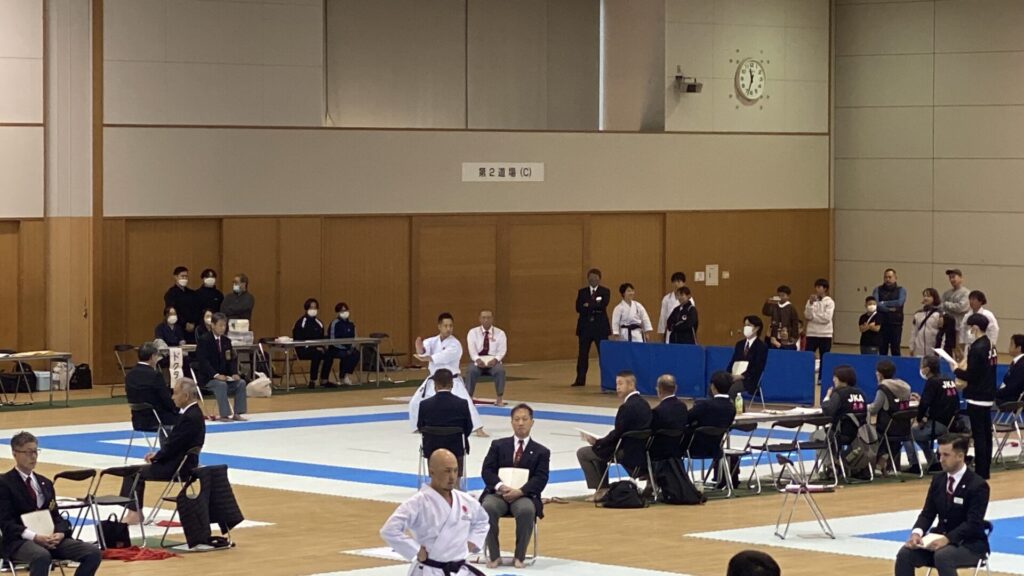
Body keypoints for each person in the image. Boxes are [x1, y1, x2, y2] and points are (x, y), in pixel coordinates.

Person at [0, 432, 102, 576]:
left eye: (35, 451)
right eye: (28, 452)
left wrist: (60, 533)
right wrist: (34, 536)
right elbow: (6, 523)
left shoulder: (45, 483)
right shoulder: (4, 483)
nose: (33, 456)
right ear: (15, 453)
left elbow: (56, 516)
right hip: (20, 541)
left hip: (50, 537)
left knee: (93, 552)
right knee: (41, 556)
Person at [380, 449, 490, 576]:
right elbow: (389, 530)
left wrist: (473, 541)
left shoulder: (465, 500)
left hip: (460, 570)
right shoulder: (418, 502)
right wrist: (416, 550)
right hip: (430, 570)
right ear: (432, 472)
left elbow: (482, 520)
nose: (452, 477)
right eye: (447, 471)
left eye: (455, 470)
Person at [894, 435, 990, 576]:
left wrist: (948, 539)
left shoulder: (978, 485)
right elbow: (927, 513)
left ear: (960, 456)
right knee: (905, 553)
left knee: (943, 556)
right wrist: (917, 533)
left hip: (969, 544)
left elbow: (973, 523)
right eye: (939, 454)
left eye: (946, 455)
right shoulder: (938, 480)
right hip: (939, 539)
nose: (941, 459)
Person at [121, 378, 206, 525]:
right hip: (183, 463)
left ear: (185, 396)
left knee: (132, 473)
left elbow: (174, 446)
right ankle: (134, 512)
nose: (172, 397)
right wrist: (158, 455)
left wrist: (157, 457)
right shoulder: (193, 413)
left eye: (175, 393)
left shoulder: (189, 417)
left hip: (177, 467)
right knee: (134, 471)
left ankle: (134, 514)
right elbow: (175, 444)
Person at [479, 404, 550, 569]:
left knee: (526, 510)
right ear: (511, 422)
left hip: (524, 495)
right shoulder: (498, 445)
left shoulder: (541, 451)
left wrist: (521, 491)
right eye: (517, 419)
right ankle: (494, 555)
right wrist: (501, 486)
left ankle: (520, 556)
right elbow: (487, 471)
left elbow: (541, 478)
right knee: (488, 507)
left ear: (532, 422)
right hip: (498, 494)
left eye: (524, 419)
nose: (520, 423)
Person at [575, 370, 652, 502]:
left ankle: (601, 489)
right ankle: (603, 487)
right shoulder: (645, 404)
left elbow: (617, 434)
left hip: (627, 452)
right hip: (642, 451)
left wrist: (599, 442)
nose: (618, 387)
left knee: (584, 453)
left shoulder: (627, 407)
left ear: (631, 385)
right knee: (598, 450)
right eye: (617, 384)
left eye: (621, 384)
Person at [410, 313, 483, 434]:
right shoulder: (431, 341)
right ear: (439, 326)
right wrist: (419, 348)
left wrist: (426, 358)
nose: (448, 328)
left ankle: (478, 428)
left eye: (451, 326)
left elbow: (442, 357)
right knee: (415, 402)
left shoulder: (455, 344)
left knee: (466, 403)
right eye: (446, 326)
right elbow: (423, 351)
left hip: (451, 380)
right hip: (434, 379)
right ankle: (418, 427)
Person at [953, 314, 997, 480]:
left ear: (976, 328)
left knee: (979, 435)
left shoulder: (977, 348)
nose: (969, 330)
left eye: (970, 327)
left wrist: (956, 370)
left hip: (977, 395)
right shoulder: (991, 345)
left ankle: (981, 470)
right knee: (986, 433)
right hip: (988, 393)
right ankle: (985, 468)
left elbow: (971, 375)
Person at [682, 372, 737, 484]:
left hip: (693, 447)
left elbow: (686, 419)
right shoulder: (731, 408)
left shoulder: (704, 405)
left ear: (713, 386)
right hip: (716, 448)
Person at [417, 369, 474, 474]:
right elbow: (468, 427)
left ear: (435, 385)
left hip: (432, 447)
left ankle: (434, 478)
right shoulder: (462, 404)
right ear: (452, 384)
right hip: (456, 447)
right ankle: (456, 479)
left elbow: (420, 427)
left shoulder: (425, 405)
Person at [195, 313, 248, 421]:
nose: (223, 328)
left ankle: (237, 413)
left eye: (224, 325)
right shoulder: (204, 340)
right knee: (221, 385)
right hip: (208, 378)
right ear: (213, 325)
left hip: (224, 377)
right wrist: (216, 375)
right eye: (220, 325)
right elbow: (203, 361)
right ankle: (224, 414)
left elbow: (231, 360)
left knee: (241, 383)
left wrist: (234, 373)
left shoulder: (226, 341)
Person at [912, 355, 961, 473]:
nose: (921, 368)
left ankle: (917, 464)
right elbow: (942, 401)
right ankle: (933, 462)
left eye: (922, 366)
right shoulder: (948, 379)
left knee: (910, 433)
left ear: (927, 369)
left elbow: (924, 404)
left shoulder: (932, 382)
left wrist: (919, 420)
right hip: (953, 423)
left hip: (938, 425)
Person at [125, 342, 178, 441]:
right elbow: (166, 399)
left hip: (137, 419)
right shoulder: (155, 375)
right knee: (186, 419)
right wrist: (177, 409)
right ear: (152, 357)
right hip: (156, 418)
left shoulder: (130, 375)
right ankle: (172, 449)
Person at [868, 359, 912, 472]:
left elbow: (874, 408)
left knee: (870, 433)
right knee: (893, 438)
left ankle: (879, 462)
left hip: (887, 428)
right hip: (905, 427)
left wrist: (865, 407)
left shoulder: (883, 388)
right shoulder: (906, 387)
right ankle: (892, 466)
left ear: (880, 374)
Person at [572, 268, 611, 387]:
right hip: (585, 327)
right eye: (591, 278)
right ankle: (580, 379)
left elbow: (602, 305)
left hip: (600, 328)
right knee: (583, 354)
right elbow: (578, 308)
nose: (593, 280)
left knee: (603, 355)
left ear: (599, 279)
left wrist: (588, 305)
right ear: (588, 278)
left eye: (595, 278)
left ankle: (606, 380)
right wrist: (593, 306)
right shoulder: (582, 292)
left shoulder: (605, 291)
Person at [465, 309, 508, 405]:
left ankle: (499, 398)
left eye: (488, 318)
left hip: (493, 362)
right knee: (471, 370)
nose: (486, 320)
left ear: (492, 319)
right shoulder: (473, 332)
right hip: (478, 361)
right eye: (484, 318)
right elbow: (472, 351)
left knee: (500, 370)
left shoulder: (500, 333)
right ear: (480, 319)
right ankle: (469, 398)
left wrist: (495, 360)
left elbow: (502, 351)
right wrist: (477, 360)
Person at [821, 365, 868, 448]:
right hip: (860, 434)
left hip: (840, 434)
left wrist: (827, 397)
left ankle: (833, 456)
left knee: (815, 435)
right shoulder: (861, 393)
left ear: (841, 378)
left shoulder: (839, 394)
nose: (833, 380)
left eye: (835, 377)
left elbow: (828, 412)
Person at [292, 298, 330, 389]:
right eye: (311, 307)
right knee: (316, 354)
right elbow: (298, 340)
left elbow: (321, 339)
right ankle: (313, 380)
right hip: (303, 349)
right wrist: (313, 347)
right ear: (306, 309)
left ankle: (324, 380)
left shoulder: (319, 323)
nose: (313, 310)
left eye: (315, 308)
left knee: (329, 354)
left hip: (318, 348)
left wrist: (322, 347)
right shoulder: (301, 322)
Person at [728, 316, 768, 401]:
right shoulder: (739, 344)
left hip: (749, 380)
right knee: (715, 385)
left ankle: (735, 407)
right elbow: (732, 362)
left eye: (749, 325)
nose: (746, 327)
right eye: (745, 325)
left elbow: (757, 367)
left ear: (757, 328)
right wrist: (728, 375)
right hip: (735, 376)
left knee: (733, 388)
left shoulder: (761, 346)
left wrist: (742, 376)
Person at [649, 374, 688, 460]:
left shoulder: (657, 411)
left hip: (658, 453)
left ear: (659, 389)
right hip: (677, 450)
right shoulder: (683, 407)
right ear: (675, 388)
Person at [872, 268, 907, 356]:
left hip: (896, 324)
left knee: (895, 349)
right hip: (882, 324)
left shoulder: (901, 290)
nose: (887, 279)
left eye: (890, 277)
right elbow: (876, 304)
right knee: (882, 350)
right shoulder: (877, 289)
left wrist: (883, 303)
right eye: (885, 277)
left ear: (895, 278)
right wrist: (888, 309)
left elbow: (899, 303)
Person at [325, 302, 358, 387]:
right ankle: (342, 377)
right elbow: (332, 340)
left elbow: (355, 337)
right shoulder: (335, 323)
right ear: (338, 312)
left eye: (346, 310)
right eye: (342, 311)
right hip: (335, 348)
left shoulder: (351, 323)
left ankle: (345, 375)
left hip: (348, 347)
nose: (345, 312)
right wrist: (344, 348)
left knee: (356, 354)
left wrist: (352, 347)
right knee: (345, 354)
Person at [163, 266, 199, 343]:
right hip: (178, 327)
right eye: (182, 276)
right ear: (176, 277)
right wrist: (185, 323)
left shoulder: (192, 294)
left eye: (186, 276)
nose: (184, 278)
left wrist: (193, 323)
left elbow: (196, 309)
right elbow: (171, 311)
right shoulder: (171, 294)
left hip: (192, 328)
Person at [804, 278, 835, 357]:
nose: (816, 289)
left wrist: (813, 317)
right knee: (808, 356)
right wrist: (810, 304)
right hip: (811, 333)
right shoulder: (810, 301)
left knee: (824, 357)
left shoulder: (830, 302)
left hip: (825, 334)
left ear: (825, 289)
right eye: (816, 287)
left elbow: (827, 318)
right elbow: (807, 316)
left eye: (819, 287)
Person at [762, 285, 799, 350]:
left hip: (786, 334)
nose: (781, 297)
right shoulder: (775, 306)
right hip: (775, 333)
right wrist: (767, 304)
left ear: (788, 296)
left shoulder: (791, 308)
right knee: (774, 348)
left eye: (783, 295)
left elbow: (795, 322)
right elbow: (766, 312)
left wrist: (793, 336)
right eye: (779, 295)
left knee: (784, 349)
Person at [657, 272, 691, 343]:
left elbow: (691, 319)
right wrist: (662, 333)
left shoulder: (689, 300)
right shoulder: (667, 298)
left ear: (684, 283)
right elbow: (663, 317)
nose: (676, 284)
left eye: (679, 281)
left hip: (684, 333)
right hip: (671, 331)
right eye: (674, 281)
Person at [910, 288, 943, 357]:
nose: (925, 298)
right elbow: (914, 331)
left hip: (933, 349)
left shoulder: (939, 314)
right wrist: (911, 347)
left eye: (928, 296)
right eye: (924, 296)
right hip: (919, 350)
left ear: (934, 297)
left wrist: (941, 349)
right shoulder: (918, 314)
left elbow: (942, 333)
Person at [940, 269, 970, 340]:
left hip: (959, 327)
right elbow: (941, 307)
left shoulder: (966, 293)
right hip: (947, 326)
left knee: (958, 346)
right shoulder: (946, 293)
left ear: (961, 278)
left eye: (953, 277)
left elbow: (961, 308)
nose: (951, 280)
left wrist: (946, 304)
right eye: (950, 278)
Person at [996, 334, 1024, 402]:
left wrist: (993, 393)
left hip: (1010, 400)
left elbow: (1011, 390)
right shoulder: (1017, 361)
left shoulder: (1021, 366)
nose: (1009, 347)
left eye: (1011, 344)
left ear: (1018, 348)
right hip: (1006, 393)